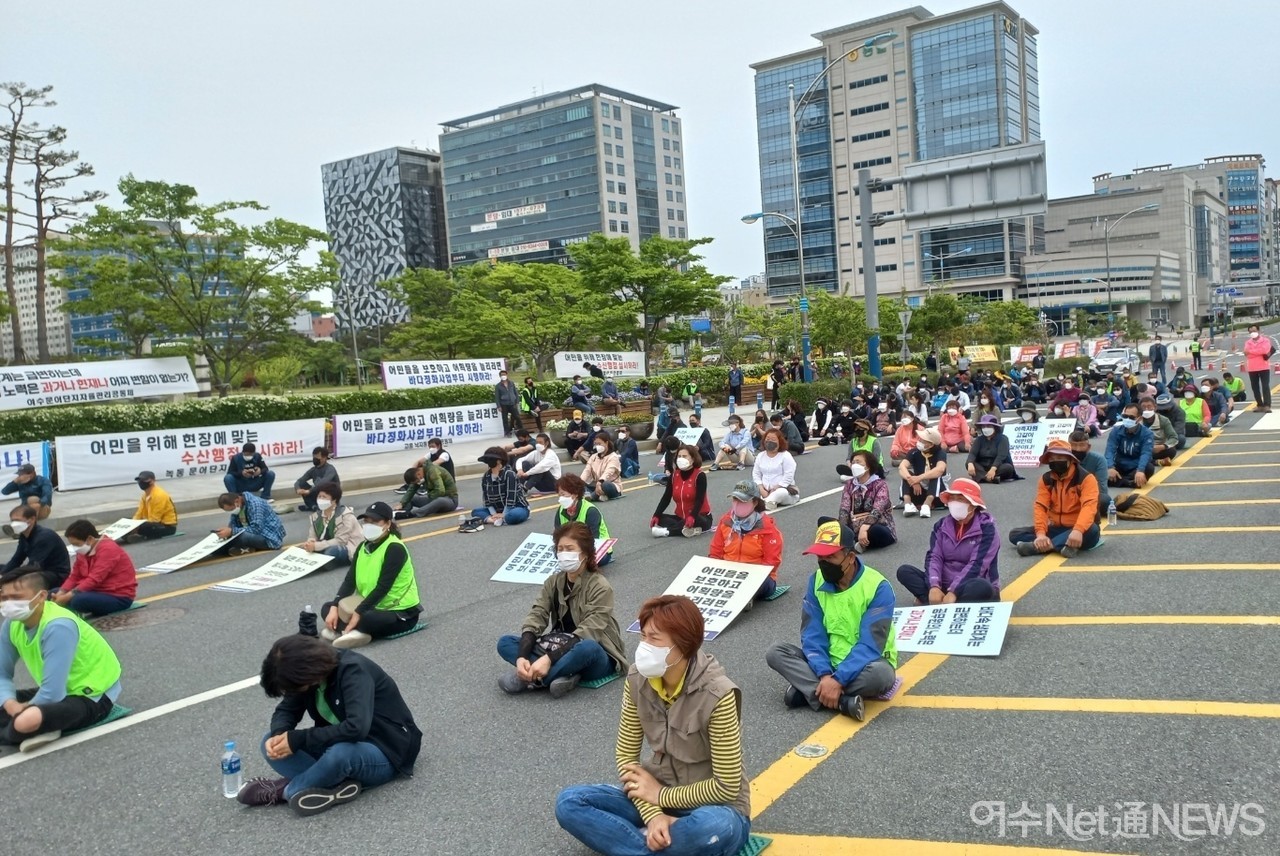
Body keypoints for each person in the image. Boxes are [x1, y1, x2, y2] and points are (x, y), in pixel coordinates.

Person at [557, 596, 752, 856]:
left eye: (654, 639)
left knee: (714, 827)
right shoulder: (638, 679)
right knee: (569, 803)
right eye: (643, 636)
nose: (644, 646)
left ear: (682, 645)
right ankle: (655, 843)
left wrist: (661, 797)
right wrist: (653, 815)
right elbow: (627, 756)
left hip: (715, 806)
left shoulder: (719, 694)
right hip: (654, 797)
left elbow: (726, 786)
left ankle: (638, 844)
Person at [235, 634, 421, 815]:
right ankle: (332, 784)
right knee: (268, 741)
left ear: (310, 674)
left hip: (385, 750)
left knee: (340, 754)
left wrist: (298, 739)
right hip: (337, 744)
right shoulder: (307, 676)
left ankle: (284, 791)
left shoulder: (353, 671)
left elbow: (356, 728)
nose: (292, 692)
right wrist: (280, 733)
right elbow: (286, 710)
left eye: (293, 688)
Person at [765, 517, 896, 721]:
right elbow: (812, 634)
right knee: (776, 652)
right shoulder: (816, 580)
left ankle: (809, 692)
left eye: (830, 558)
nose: (823, 564)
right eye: (820, 558)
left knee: (882, 676)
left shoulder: (878, 587)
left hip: (867, 664)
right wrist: (826, 675)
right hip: (827, 664)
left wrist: (839, 679)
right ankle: (843, 702)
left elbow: (870, 645)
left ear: (850, 557)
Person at [0, 567, 123, 752]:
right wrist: (11, 704)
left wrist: (21, 711)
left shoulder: (58, 626)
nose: (8, 604)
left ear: (41, 596)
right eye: (4, 598)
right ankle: (42, 726)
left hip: (92, 695)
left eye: (17, 598)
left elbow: (52, 694)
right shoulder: (12, 624)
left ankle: (28, 728)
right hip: (57, 691)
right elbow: (2, 674)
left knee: (27, 720)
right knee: (17, 712)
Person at [497, 521, 626, 697]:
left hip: (595, 652)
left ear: (586, 553)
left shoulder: (600, 586)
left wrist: (547, 659)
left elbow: (589, 633)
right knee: (505, 643)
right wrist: (521, 657)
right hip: (558, 644)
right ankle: (562, 674)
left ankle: (532, 679)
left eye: (570, 549)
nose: (564, 554)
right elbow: (537, 614)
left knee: (588, 647)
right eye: (560, 549)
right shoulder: (553, 582)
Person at [320, 502, 422, 648]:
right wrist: (335, 607)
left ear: (387, 524)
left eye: (374, 522)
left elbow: (383, 587)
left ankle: (349, 629)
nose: (368, 526)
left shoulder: (394, 548)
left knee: (367, 619)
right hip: (370, 606)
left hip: (398, 612)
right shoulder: (362, 547)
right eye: (366, 522)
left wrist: (358, 612)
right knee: (327, 608)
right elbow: (350, 581)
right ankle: (356, 631)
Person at [896, 478, 1000, 604]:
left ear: (973, 505)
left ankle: (933, 602)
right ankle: (940, 600)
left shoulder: (987, 528)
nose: (955, 503)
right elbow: (934, 557)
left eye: (961, 499)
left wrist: (954, 591)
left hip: (970, 585)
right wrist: (934, 586)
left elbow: (978, 565)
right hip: (943, 586)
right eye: (952, 499)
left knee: (983, 587)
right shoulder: (941, 525)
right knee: (905, 571)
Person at [1010, 439, 1101, 558]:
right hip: (1057, 528)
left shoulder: (1086, 479)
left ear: (1070, 459)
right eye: (1052, 459)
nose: (1055, 462)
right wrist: (1041, 534)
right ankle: (1063, 545)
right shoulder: (1046, 479)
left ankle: (1038, 547)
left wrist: (1078, 530)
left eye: (1059, 458)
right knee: (1015, 534)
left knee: (1092, 529)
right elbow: (1040, 507)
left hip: (1080, 527)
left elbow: (1088, 507)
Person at [710, 481, 784, 601]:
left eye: (743, 501)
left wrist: (747, 576)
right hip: (729, 573)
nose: (737, 504)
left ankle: (745, 596)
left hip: (758, 576)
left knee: (759, 583)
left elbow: (771, 562)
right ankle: (741, 595)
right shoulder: (726, 522)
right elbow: (715, 551)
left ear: (754, 502)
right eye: (735, 499)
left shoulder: (768, 529)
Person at [53, 521, 137, 617]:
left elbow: (94, 579)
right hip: (94, 591)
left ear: (90, 539)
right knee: (53, 592)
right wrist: (61, 593)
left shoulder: (108, 550)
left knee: (77, 600)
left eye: (77, 544)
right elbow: (75, 576)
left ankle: (72, 611)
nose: (75, 548)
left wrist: (67, 596)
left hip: (117, 596)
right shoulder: (84, 551)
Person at [837, 450, 896, 553]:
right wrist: (843, 529)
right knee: (827, 523)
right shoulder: (849, 485)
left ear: (868, 466)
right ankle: (853, 542)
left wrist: (864, 527)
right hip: (855, 527)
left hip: (877, 526)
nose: (855, 465)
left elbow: (878, 509)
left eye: (858, 462)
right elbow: (844, 508)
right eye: (853, 462)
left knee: (876, 531)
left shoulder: (880, 485)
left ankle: (853, 544)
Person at [459, 447, 530, 533]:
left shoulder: (509, 474)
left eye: (490, 459)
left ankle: (503, 518)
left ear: (499, 461)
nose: (488, 462)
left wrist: (504, 513)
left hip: (515, 507)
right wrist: (494, 514)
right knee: (476, 512)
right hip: (496, 510)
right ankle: (495, 520)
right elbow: (487, 499)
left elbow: (511, 498)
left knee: (514, 515)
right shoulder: (486, 476)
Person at [651, 444, 712, 538]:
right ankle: (687, 529)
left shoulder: (700, 475)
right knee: (661, 518)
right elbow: (666, 497)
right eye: (679, 456)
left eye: (684, 456)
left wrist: (692, 516)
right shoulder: (674, 475)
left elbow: (699, 500)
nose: (681, 458)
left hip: (699, 516)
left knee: (695, 520)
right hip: (681, 517)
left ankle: (667, 532)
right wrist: (656, 514)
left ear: (693, 458)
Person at [3, 505, 70, 589]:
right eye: (12, 520)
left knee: (21, 578)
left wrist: (5, 577)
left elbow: (33, 566)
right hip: (40, 569)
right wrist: (3, 573)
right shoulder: (24, 535)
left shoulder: (44, 536)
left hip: (56, 574)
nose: (13, 524)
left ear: (32, 519)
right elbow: (17, 559)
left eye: (17, 520)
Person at [554, 474, 615, 565]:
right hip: (571, 548)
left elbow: (593, 540)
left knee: (591, 560)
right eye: (559, 495)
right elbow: (557, 535)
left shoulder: (590, 511)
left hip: (596, 547)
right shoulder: (561, 510)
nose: (560, 499)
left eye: (563, 495)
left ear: (575, 494)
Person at [302, 482, 361, 566]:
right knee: (302, 549)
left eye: (324, 497)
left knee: (331, 552)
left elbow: (341, 541)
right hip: (326, 544)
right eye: (319, 496)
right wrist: (310, 542)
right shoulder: (316, 516)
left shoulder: (345, 516)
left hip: (348, 546)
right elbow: (312, 535)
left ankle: (328, 561)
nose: (320, 499)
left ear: (334, 500)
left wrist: (316, 546)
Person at [216, 491, 286, 556]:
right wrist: (226, 532)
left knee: (241, 537)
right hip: (250, 533)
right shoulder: (239, 506)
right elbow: (233, 524)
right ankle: (230, 549)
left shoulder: (255, 504)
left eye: (231, 510)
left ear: (237, 501)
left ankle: (240, 548)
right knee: (219, 547)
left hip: (268, 537)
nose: (232, 512)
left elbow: (256, 529)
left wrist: (232, 531)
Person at [900, 427, 948, 518]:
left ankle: (927, 504)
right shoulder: (914, 452)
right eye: (920, 439)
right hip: (918, 490)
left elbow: (940, 469)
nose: (919, 441)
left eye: (923, 440)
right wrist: (912, 480)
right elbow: (902, 467)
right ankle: (908, 504)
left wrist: (919, 478)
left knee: (936, 475)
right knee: (907, 473)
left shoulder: (940, 453)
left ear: (930, 445)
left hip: (937, 494)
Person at [1105, 403, 1154, 488]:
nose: (1127, 419)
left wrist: (1140, 470)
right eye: (1125, 416)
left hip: (1135, 466)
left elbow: (1146, 453)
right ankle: (1128, 483)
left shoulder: (1147, 433)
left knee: (1149, 468)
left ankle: (1120, 481)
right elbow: (1110, 449)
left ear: (1139, 419)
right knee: (1101, 471)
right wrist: (1110, 467)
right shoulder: (1116, 431)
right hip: (1119, 465)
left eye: (1131, 417)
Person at [753, 427, 799, 511]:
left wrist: (775, 489)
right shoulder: (760, 456)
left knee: (781, 492)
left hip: (783, 491)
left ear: (779, 441)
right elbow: (756, 474)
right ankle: (769, 502)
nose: (770, 441)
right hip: (764, 491)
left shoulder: (785, 455)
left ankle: (763, 503)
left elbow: (789, 475)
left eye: (773, 439)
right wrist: (761, 489)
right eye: (768, 439)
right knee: (749, 490)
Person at [1068, 431, 1111, 520]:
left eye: (1081, 445)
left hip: (1090, 495)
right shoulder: (1064, 459)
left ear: (1088, 447)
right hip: (1068, 496)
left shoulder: (1099, 460)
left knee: (1105, 500)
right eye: (1074, 445)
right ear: (1068, 446)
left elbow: (1102, 488)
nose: (1078, 449)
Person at [126, 470, 178, 543]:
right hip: (150, 522)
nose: (141, 482)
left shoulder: (159, 495)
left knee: (145, 526)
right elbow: (139, 513)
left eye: (145, 480)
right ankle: (134, 535)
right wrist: (132, 523)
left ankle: (137, 535)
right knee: (126, 521)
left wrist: (136, 526)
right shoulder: (145, 495)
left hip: (166, 527)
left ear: (152, 481)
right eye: (140, 480)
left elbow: (155, 519)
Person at [966, 415, 1016, 484]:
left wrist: (993, 469)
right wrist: (970, 463)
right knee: (969, 463)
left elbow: (1001, 456)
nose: (986, 429)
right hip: (982, 466)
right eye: (984, 427)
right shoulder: (979, 439)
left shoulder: (1003, 439)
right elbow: (972, 453)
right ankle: (990, 479)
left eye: (988, 426)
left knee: (1008, 468)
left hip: (998, 466)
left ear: (995, 427)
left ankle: (981, 477)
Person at [295, 447, 340, 513]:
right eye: (314, 457)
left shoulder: (330, 469)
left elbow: (323, 483)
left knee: (322, 488)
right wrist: (298, 489)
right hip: (319, 494)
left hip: (330, 495)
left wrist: (309, 491)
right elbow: (299, 481)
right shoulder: (313, 470)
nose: (315, 459)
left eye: (317, 457)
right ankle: (314, 506)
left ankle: (322, 506)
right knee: (302, 483)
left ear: (324, 458)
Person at [1138, 396, 1179, 466]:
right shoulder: (1136, 421)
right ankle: (1156, 462)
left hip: (1156, 449)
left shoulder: (1163, 420)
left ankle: (1146, 461)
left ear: (1155, 407)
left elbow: (1174, 438)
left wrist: (1162, 446)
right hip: (1140, 449)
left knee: (1171, 451)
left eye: (1149, 406)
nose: (1146, 409)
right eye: (1143, 407)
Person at [582, 436, 623, 503]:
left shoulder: (613, 457)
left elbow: (609, 471)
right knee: (579, 483)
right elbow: (587, 470)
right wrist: (580, 482)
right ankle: (599, 495)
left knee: (605, 484)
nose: (597, 446)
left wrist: (600, 482)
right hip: (597, 486)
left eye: (599, 444)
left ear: (606, 443)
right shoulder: (594, 457)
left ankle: (591, 497)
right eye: (595, 444)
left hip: (610, 485)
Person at [1243, 324, 1273, 412]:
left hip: (1264, 366)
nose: (1252, 333)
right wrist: (1257, 352)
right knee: (1255, 387)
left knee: (1265, 386)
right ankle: (1259, 404)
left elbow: (1265, 350)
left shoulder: (1265, 340)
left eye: (1254, 331)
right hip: (1252, 367)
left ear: (1259, 331)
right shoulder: (1248, 342)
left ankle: (1267, 405)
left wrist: (1251, 351)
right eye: (1250, 331)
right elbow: (1246, 354)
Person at [495, 370, 522, 436]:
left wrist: (517, 401)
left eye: (504, 374)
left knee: (517, 417)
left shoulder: (511, 383)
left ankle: (521, 430)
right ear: (500, 376)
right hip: (504, 404)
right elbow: (497, 397)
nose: (503, 376)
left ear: (507, 375)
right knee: (505, 419)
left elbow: (515, 393)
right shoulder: (498, 386)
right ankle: (507, 432)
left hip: (513, 403)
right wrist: (498, 406)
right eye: (502, 375)